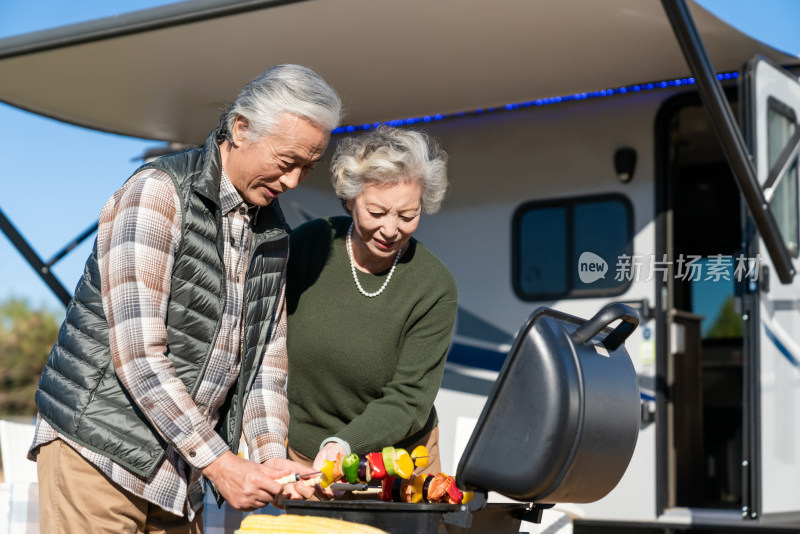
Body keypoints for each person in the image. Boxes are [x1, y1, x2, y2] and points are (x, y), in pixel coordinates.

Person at [28, 64, 342, 532]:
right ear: (241, 129)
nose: (294, 181)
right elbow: (138, 356)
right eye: (287, 160)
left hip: (180, 474)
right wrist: (221, 464)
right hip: (98, 455)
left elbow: (264, 368)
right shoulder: (158, 193)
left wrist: (269, 458)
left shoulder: (276, 234)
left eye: (307, 168)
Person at [285, 126, 458, 481]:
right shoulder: (309, 246)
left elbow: (410, 399)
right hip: (306, 459)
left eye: (407, 215)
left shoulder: (435, 287)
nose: (391, 229)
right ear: (350, 200)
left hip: (399, 463)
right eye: (377, 212)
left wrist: (346, 444)